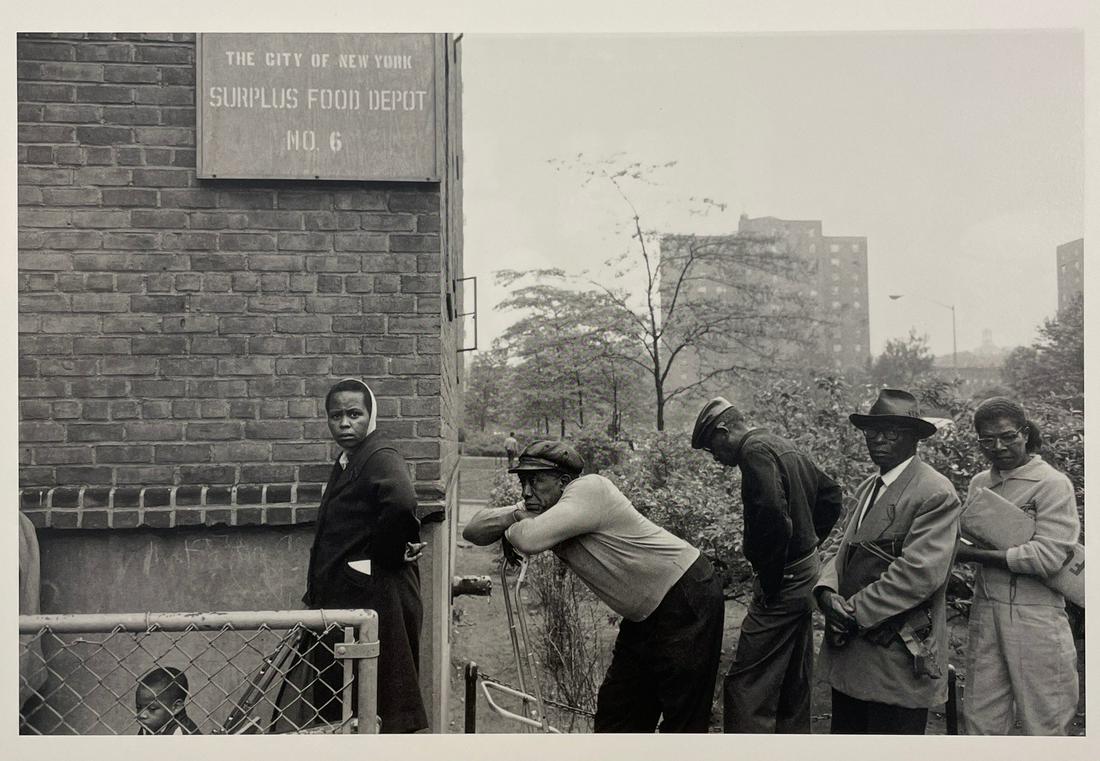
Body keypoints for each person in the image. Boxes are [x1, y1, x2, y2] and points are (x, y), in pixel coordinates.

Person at [463, 440, 725, 733]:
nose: (526, 491)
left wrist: (515, 527)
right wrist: (515, 515)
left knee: (683, 719)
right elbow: (473, 530)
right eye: (524, 481)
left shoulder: (590, 489)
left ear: (564, 482)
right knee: (617, 717)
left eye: (536, 480)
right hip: (644, 614)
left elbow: (529, 540)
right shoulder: (542, 505)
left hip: (686, 593)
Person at [278, 378, 428, 734]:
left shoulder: (379, 455)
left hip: (378, 600)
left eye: (354, 414)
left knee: (377, 702)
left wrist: (382, 558)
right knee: (345, 700)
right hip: (353, 599)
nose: (345, 423)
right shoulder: (350, 459)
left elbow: (402, 502)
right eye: (336, 416)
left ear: (370, 415)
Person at [691, 397, 843, 733]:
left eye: (711, 448)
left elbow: (775, 517)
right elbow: (832, 495)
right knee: (794, 674)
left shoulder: (754, 452)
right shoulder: (780, 443)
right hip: (806, 571)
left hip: (784, 579)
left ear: (723, 431)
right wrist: (808, 543)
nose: (715, 457)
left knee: (747, 681)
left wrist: (773, 578)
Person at [814, 388, 961, 734]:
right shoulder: (870, 485)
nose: (878, 439)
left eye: (892, 431)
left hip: (895, 656)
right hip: (851, 656)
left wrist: (850, 614)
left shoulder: (935, 492)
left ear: (914, 438)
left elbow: (918, 574)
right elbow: (839, 546)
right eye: (872, 431)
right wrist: (825, 592)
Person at [956, 397, 1079, 735]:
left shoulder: (1052, 484)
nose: (998, 447)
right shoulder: (980, 482)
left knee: (1046, 721)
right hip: (986, 609)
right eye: (987, 439)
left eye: (1008, 436)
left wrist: (969, 555)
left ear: (1025, 433)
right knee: (981, 720)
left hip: (1036, 615)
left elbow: (1048, 557)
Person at [136, 667, 201, 735]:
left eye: (152, 709)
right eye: (138, 707)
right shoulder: (151, 724)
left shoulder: (181, 733)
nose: (141, 715)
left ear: (176, 707)